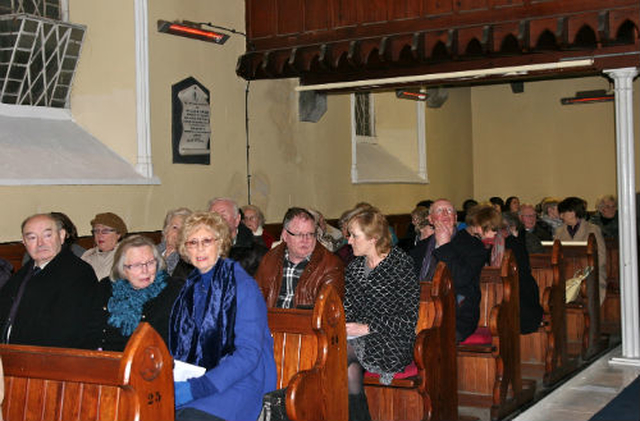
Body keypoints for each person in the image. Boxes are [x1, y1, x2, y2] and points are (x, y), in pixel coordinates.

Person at [170, 211, 276, 421]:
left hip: (239, 382)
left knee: (189, 418)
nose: (200, 249)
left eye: (207, 241)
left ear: (220, 243)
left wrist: (199, 387)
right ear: (184, 248)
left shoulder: (242, 286)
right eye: (192, 242)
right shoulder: (190, 287)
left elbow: (248, 354)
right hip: (197, 377)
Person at [344, 207, 419, 421]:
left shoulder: (400, 265)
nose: (349, 241)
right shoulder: (355, 268)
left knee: (336, 356)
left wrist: (366, 327)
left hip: (392, 341)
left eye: (354, 236)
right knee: (341, 360)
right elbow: (349, 308)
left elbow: (407, 319)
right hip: (359, 338)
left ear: (373, 238)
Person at [0, 213, 99, 348]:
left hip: (48, 360)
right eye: (32, 237)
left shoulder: (78, 273)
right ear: (24, 242)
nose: (40, 243)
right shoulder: (22, 275)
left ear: (62, 235)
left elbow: (68, 332)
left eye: (47, 235)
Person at [97, 235, 184, 351]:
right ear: (122, 268)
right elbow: (92, 329)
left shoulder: (174, 290)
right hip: (108, 359)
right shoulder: (106, 287)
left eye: (150, 263)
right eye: (137, 265)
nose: (145, 270)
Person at [254, 207, 344, 308]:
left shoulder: (330, 265)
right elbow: (255, 300)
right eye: (299, 234)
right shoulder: (270, 259)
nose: (305, 240)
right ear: (285, 235)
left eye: (310, 234)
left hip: (306, 322)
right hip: (270, 321)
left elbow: (327, 312)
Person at [434, 204, 500, 342]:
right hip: (446, 307)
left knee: (441, 337)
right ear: (478, 226)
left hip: (462, 313)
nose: (495, 233)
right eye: (492, 229)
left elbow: (461, 278)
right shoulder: (461, 240)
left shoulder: (477, 249)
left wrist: (445, 246)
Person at [492, 213, 544, 334]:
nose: (499, 233)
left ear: (513, 227)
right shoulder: (503, 241)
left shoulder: (519, 241)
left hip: (522, 290)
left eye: (503, 229)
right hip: (511, 288)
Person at [554, 197, 607, 305]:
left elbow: (601, 258)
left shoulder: (592, 229)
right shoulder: (559, 232)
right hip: (567, 276)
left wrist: (584, 273)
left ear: (574, 212)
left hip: (589, 275)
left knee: (586, 291)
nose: (561, 216)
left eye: (564, 212)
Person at [409, 199, 458, 282]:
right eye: (439, 211)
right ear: (430, 219)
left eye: (449, 210)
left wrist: (444, 247)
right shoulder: (422, 245)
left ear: (455, 218)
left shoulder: (470, 243)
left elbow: (463, 280)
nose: (445, 213)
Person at [82, 212, 128, 280]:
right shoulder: (88, 255)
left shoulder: (126, 255)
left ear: (118, 234)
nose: (100, 235)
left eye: (105, 231)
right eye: (96, 231)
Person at [158, 207, 194, 280]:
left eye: (183, 229)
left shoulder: (187, 261)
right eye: (175, 227)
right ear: (166, 230)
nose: (178, 233)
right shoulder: (153, 250)